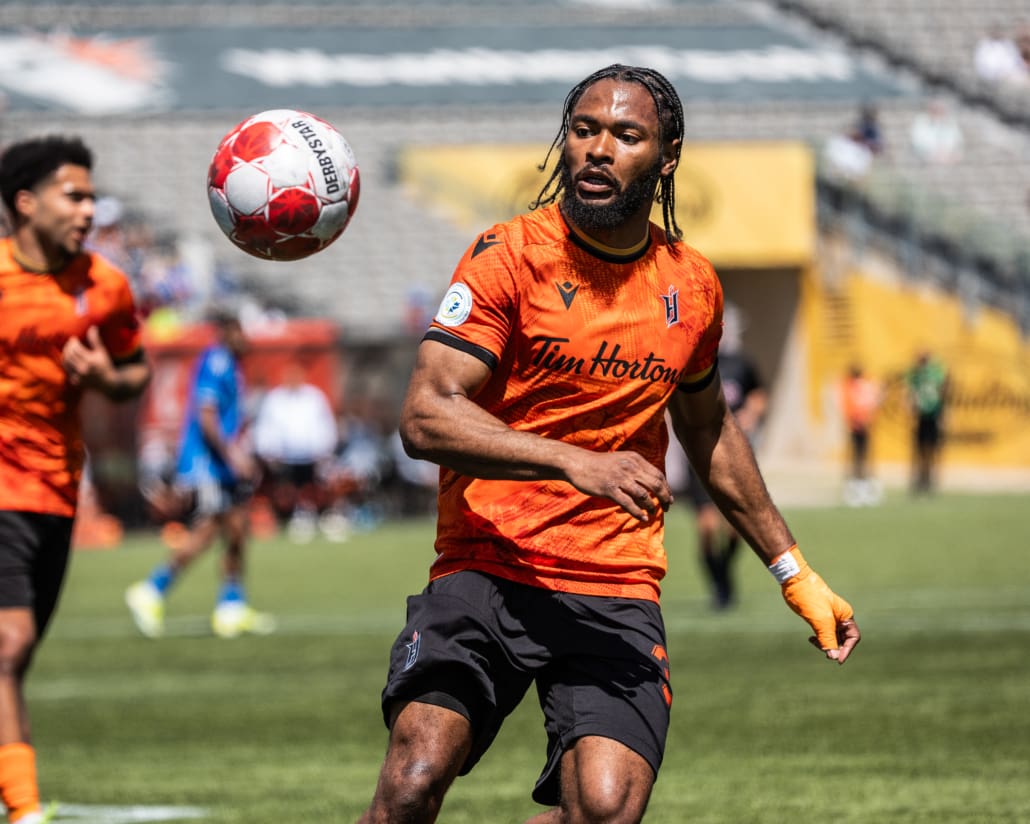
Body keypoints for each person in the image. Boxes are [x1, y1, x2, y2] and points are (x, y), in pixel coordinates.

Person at [358, 64, 860, 824]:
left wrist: (795, 573)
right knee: (412, 782)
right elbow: (426, 414)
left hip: (614, 581)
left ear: (666, 155)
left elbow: (709, 429)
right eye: (585, 130)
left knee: (604, 808)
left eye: (625, 134)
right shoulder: (509, 254)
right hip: (489, 561)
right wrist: (571, 460)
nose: (598, 149)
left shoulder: (692, 288)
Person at [0, 135, 151, 824]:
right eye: (75, 195)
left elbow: (136, 372)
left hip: (56, 488)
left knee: (13, 659)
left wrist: (102, 378)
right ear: (25, 203)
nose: (89, 209)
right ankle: (25, 810)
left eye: (92, 196)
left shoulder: (106, 285)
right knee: (10, 644)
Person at [125, 311, 275, 639]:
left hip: (220, 464)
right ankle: (152, 590)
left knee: (235, 529)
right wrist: (232, 455)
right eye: (238, 330)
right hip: (209, 464)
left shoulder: (231, 365)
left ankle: (231, 606)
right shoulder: (218, 361)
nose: (244, 337)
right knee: (212, 529)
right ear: (225, 331)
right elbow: (205, 415)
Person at [683, 303, 767, 609]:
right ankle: (719, 585)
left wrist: (750, 415)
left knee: (735, 528)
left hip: (734, 452)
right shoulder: (697, 359)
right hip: (700, 452)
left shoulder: (742, 362)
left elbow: (758, 395)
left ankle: (725, 574)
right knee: (706, 527)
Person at [252, 360, 339, 542]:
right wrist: (268, 450)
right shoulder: (275, 399)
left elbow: (325, 424)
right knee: (288, 488)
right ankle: (295, 515)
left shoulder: (314, 397)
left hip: (312, 455)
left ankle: (323, 514)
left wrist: (325, 449)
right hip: (284, 457)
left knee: (317, 485)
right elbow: (266, 427)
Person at [839, 363, 883, 507]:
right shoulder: (850, 385)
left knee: (864, 455)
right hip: (855, 425)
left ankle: (865, 482)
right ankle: (855, 481)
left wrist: (867, 418)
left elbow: (871, 402)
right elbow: (847, 404)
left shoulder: (865, 385)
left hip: (864, 424)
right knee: (855, 455)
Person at [906, 350, 949, 495]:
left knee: (930, 450)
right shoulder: (919, 374)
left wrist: (943, 414)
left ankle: (928, 479)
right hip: (923, 416)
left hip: (931, 415)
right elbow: (911, 395)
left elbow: (941, 393)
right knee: (922, 450)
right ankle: (923, 478)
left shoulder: (930, 373)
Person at [909, 98, 964, 166]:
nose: (939, 111)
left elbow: (957, 139)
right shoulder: (921, 121)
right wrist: (935, 151)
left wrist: (946, 150)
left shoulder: (950, 121)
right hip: (927, 153)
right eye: (936, 109)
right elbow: (918, 141)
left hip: (947, 153)